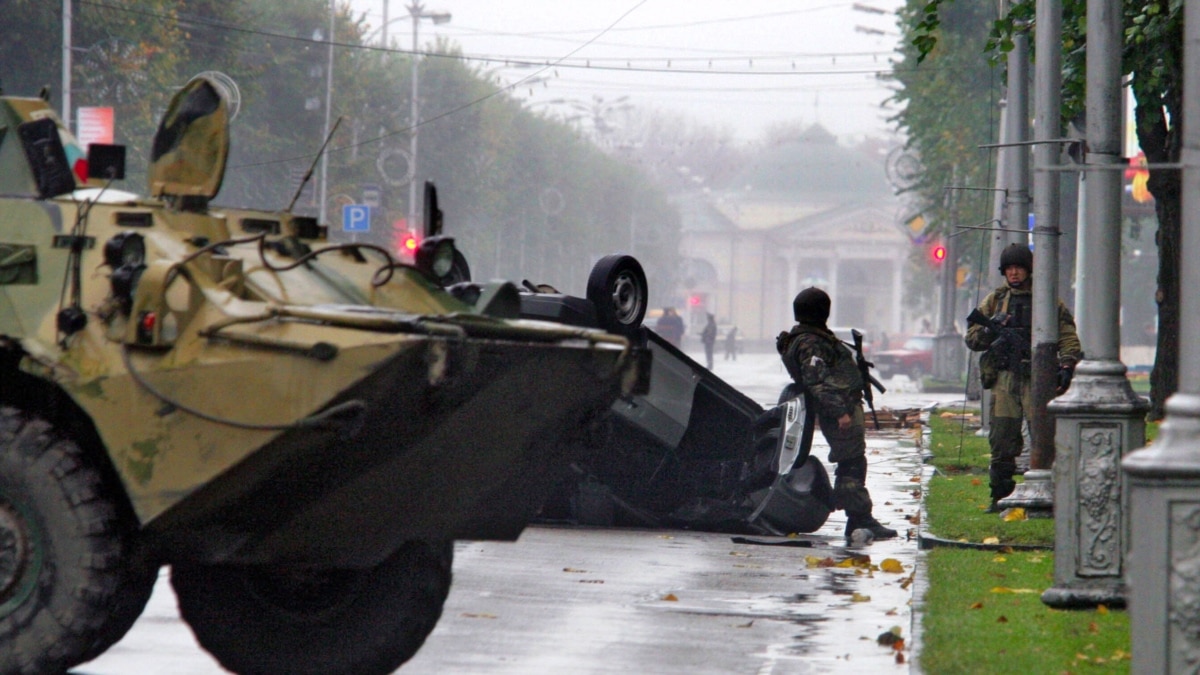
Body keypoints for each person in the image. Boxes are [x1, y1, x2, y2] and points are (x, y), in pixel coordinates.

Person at [964, 243, 1082, 511]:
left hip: (1037, 378)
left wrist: (1066, 365)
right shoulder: (995, 300)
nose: (1014, 273)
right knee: (1002, 438)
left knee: (1044, 436)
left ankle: (1053, 495)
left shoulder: (1047, 300)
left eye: (1018, 268)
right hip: (1005, 379)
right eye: (1009, 269)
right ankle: (1000, 497)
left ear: (1028, 270)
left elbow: (1067, 335)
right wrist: (992, 328)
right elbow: (972, 338)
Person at [776, 287, 898, 541]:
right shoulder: (810, 342)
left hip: (843, 405)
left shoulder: (812, 338)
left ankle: (857, 516)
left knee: (852, 460)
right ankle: (859, 518)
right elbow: (818, 382)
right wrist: (841, 412)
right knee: (851, 462)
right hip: (838, 409)